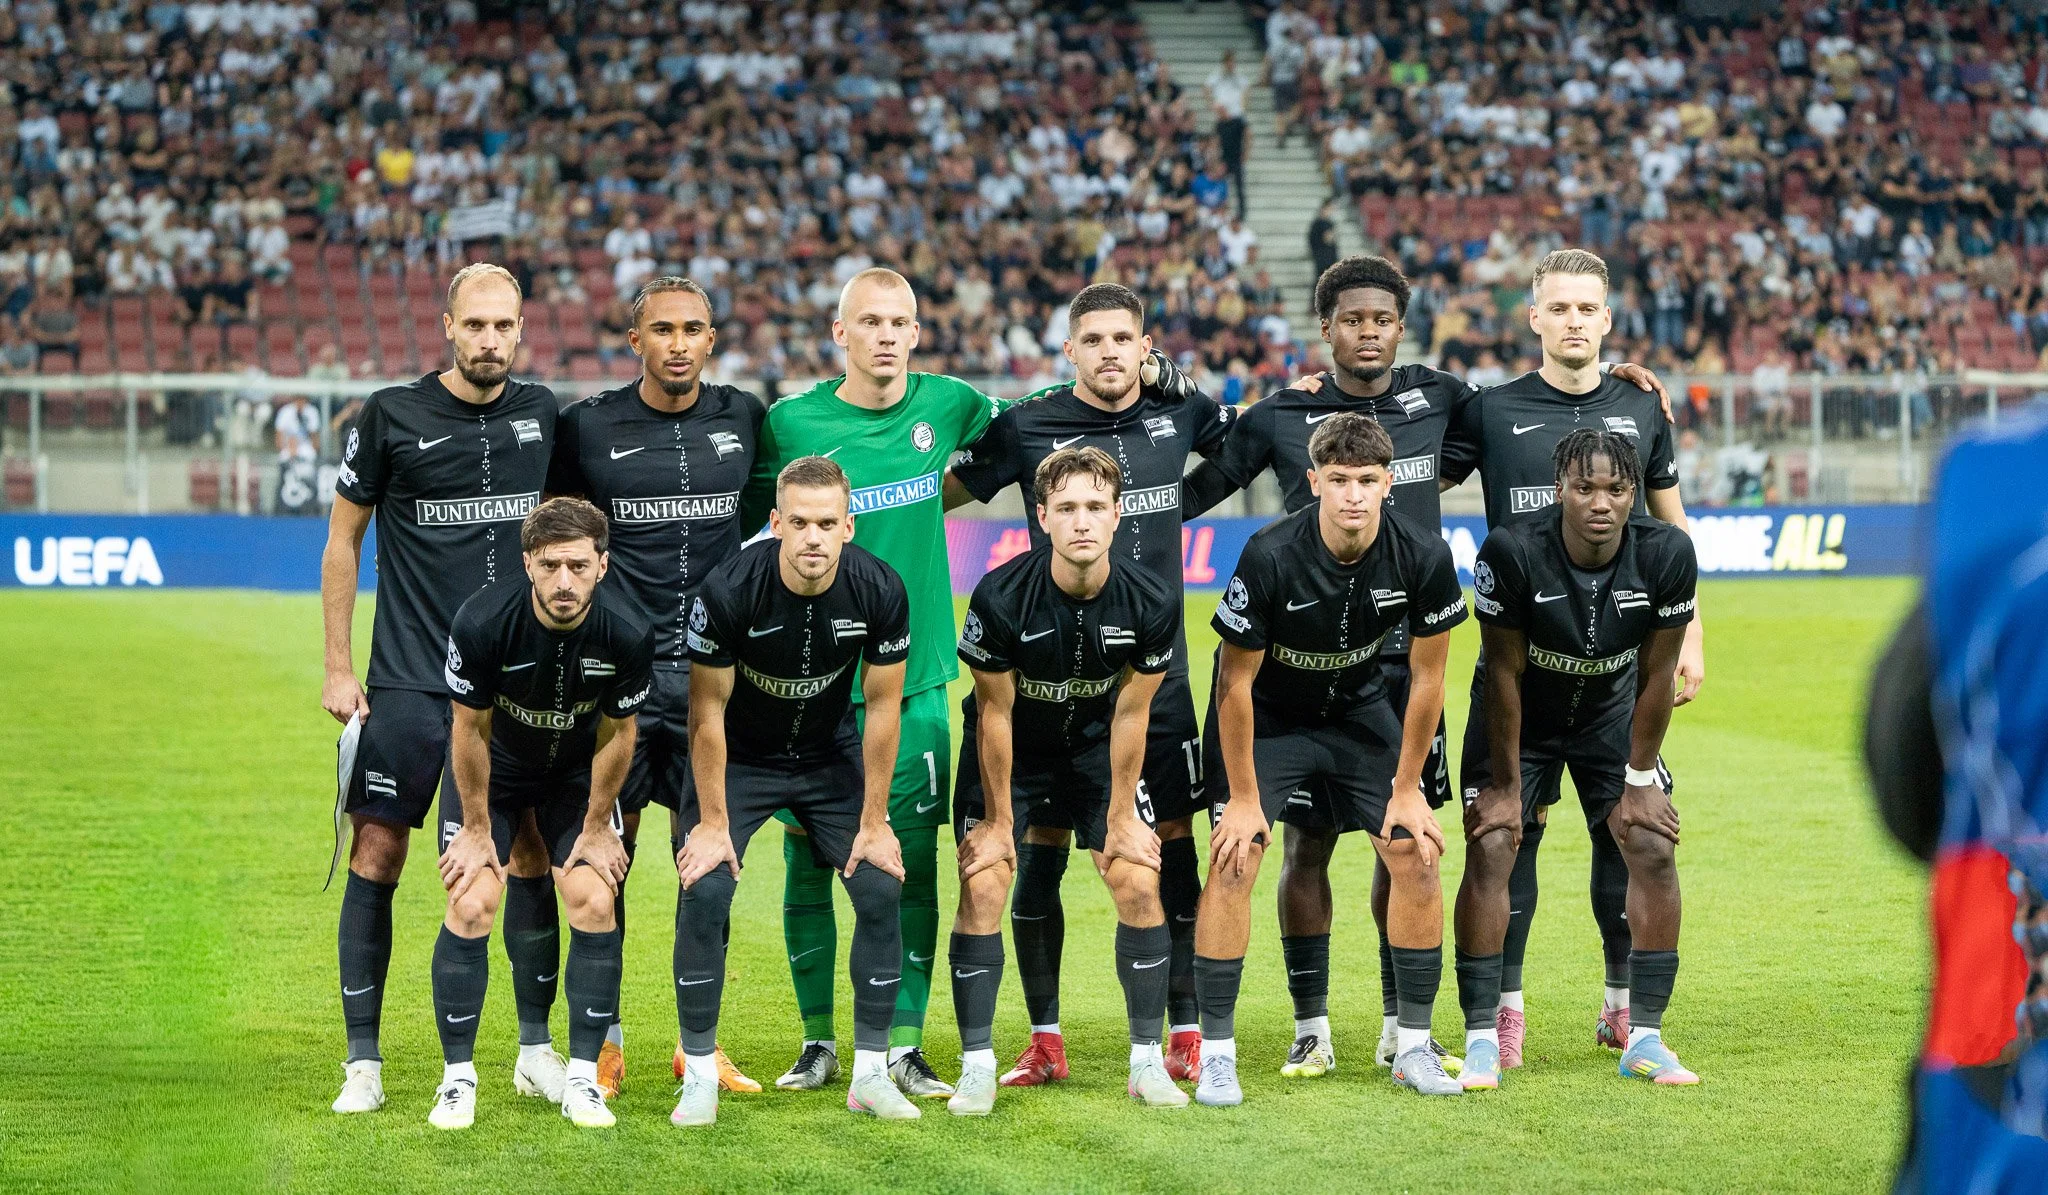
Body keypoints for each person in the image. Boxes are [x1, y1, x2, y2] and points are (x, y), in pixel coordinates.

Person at [1180, 254, 1669, 1075]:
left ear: (1400, 328)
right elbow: (1194, 486)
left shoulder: (1444, 399)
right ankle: (1310, 1023)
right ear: (1325, 326)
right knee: (1305, 848)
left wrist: (1613, 381)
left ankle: (1396, 1027)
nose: (1368, 332)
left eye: (1382, 320)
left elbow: (1542, 407)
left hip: (1401, 669)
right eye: (1352, 320)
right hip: (1299, 671)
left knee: (1401, 843)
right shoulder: (1281, 415)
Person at [738, 267, 1185, 1098]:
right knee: (807, 860)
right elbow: (756, 527)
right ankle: (817, 1041)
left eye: (898, 321)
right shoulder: (792, 422)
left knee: (907, 857)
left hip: (915, 677)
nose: (883, 334)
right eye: (867, 321)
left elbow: (1050, 409)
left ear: (916, 332)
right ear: (840, 333)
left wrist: (1159, 376)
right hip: (807, 681)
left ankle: (905, 1041)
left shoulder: (949, 407)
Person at [944, 283, 1225, 1086]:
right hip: (1041, 687)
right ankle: (1043, 1036)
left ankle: (1185, 1029)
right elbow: (952, 488)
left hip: (1146, 674)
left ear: (1146, 346)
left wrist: (1184, 502)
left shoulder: (1181, 413)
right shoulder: (1029, 424)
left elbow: (1246, 448)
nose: (1109, 351)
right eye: (1092, 339)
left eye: (1123, 338)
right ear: (1069, 350)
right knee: (1035, 855)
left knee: (1165, 847)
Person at [1438, 248, 1705, 1069]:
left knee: (1625, 833)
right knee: (1506, 836)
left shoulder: (1640, 405)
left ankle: (1624, 1013)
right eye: (1560, 309)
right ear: (1535, 318)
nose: (1575, 322)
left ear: (1608, 319)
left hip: (1616, 674)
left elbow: (1671, 519)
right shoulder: (1491, 409)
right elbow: (1409, 470)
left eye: (1588, 309)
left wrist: (1692, 634)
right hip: (1520, 667)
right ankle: (1502, 1016)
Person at [321, 262, 564, 1116]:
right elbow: (345, 540)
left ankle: (534, 1050)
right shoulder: (391, 415)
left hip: (518, 694)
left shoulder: (544, 417)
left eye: (505, 326)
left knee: (527, 850)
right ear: (448, 327)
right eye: (477, 326)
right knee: (378, 854)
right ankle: (364, 1060)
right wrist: (338, 666)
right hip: (410, 685)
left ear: (521, 328)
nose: (491, 340)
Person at [1198, 412, 1469, 1106]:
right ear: (1313, 481)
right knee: (1238, 853)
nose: (1354, 494)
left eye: (1368, 480)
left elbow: (1431, 677)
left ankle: (1411, 1047)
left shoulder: (1423, 553)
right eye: (1340, 480)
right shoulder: (1269, 553)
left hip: (1358, 710)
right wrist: (1245, 797)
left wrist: (1407, 788)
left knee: (1415, 849)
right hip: (1273, 718)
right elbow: (1234, 684)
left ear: (1389, 483)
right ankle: (1217, 1057)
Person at [545, 276, 765, 1099]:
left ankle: (697, 1048)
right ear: (633, 339)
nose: (679, 342)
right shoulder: (587, 426)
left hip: (715, 679)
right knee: (607, 856)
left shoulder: (743, 418)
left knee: (710, 858)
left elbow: (771, 516)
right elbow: (553, 536)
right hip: (618, 681)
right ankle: (604, 1039)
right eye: (662, 329)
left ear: (713, 339)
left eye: (694, 328)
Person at [671, 455, 918, 1126]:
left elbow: (884, 706)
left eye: (828, 523)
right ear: (776, 523)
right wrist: (715, 823)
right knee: (708, 883)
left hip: (824, 751)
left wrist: (873, 821)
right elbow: (706, 713)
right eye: (800, 522)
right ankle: (697, 1074)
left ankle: (870, 1074)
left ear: (849, 526)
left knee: (879, 881)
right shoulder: (729, 590)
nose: (814, 537)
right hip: (740, 756)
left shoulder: (880, 588)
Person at [948, 446, 1186, 1114]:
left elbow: (1133, 713)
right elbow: (994, 713)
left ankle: (1145, 1062)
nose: (1082, 520)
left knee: (1138, 877)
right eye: (1068, 508)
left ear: (1117, 515)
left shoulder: (1152, 600)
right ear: (1043, 516)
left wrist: (1118, 815)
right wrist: (998, 821)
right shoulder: (999, 594)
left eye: (1095, 507)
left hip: (1094, 751)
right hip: (1011, 753)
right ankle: (977, 1064)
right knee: (986, 880)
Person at [1459, 428, 1698, 1089]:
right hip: (1519, 716)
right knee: (1496, 840)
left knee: (1650, 841)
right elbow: (1503, 672)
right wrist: (1506, 784)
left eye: (1617, 489)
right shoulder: (1510, 550)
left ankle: (1643, 1037)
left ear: (1633, 494)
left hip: (1608, 715)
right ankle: (1483, 1036)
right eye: (1585, 487)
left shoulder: (1668, 552)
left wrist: (1641, 777)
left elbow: (1658, 673)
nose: (1601, 501)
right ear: (1559, 486)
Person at [429, 497, 654, 1130]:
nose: (564, 582)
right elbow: (467, 730)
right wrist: (476, 829)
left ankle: (582, 1078)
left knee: (594, 898)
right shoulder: (482, 622)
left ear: (602, 566)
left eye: (579, 567)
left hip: (573, 780)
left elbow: (619, 733)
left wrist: (594, 825)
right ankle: (457, 1081)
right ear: (529, 563)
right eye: (552, 565)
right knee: (471, 901)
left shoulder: (628, 631)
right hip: (492, 779)